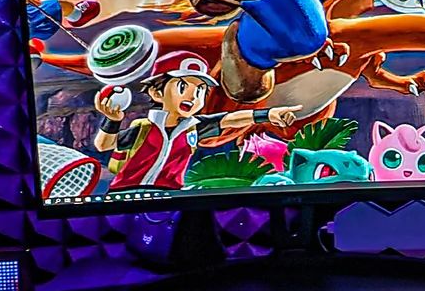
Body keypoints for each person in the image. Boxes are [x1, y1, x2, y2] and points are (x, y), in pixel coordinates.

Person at [93, 51, 299, 192]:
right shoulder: (143, 128)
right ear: (157, 92)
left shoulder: (193, 128)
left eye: (200, 91)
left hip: (171, 198)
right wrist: (112, 121)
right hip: (127, 195)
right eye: (182, 87)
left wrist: (268, 115)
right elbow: (104, 145)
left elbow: (228, 119)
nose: (192, 98)